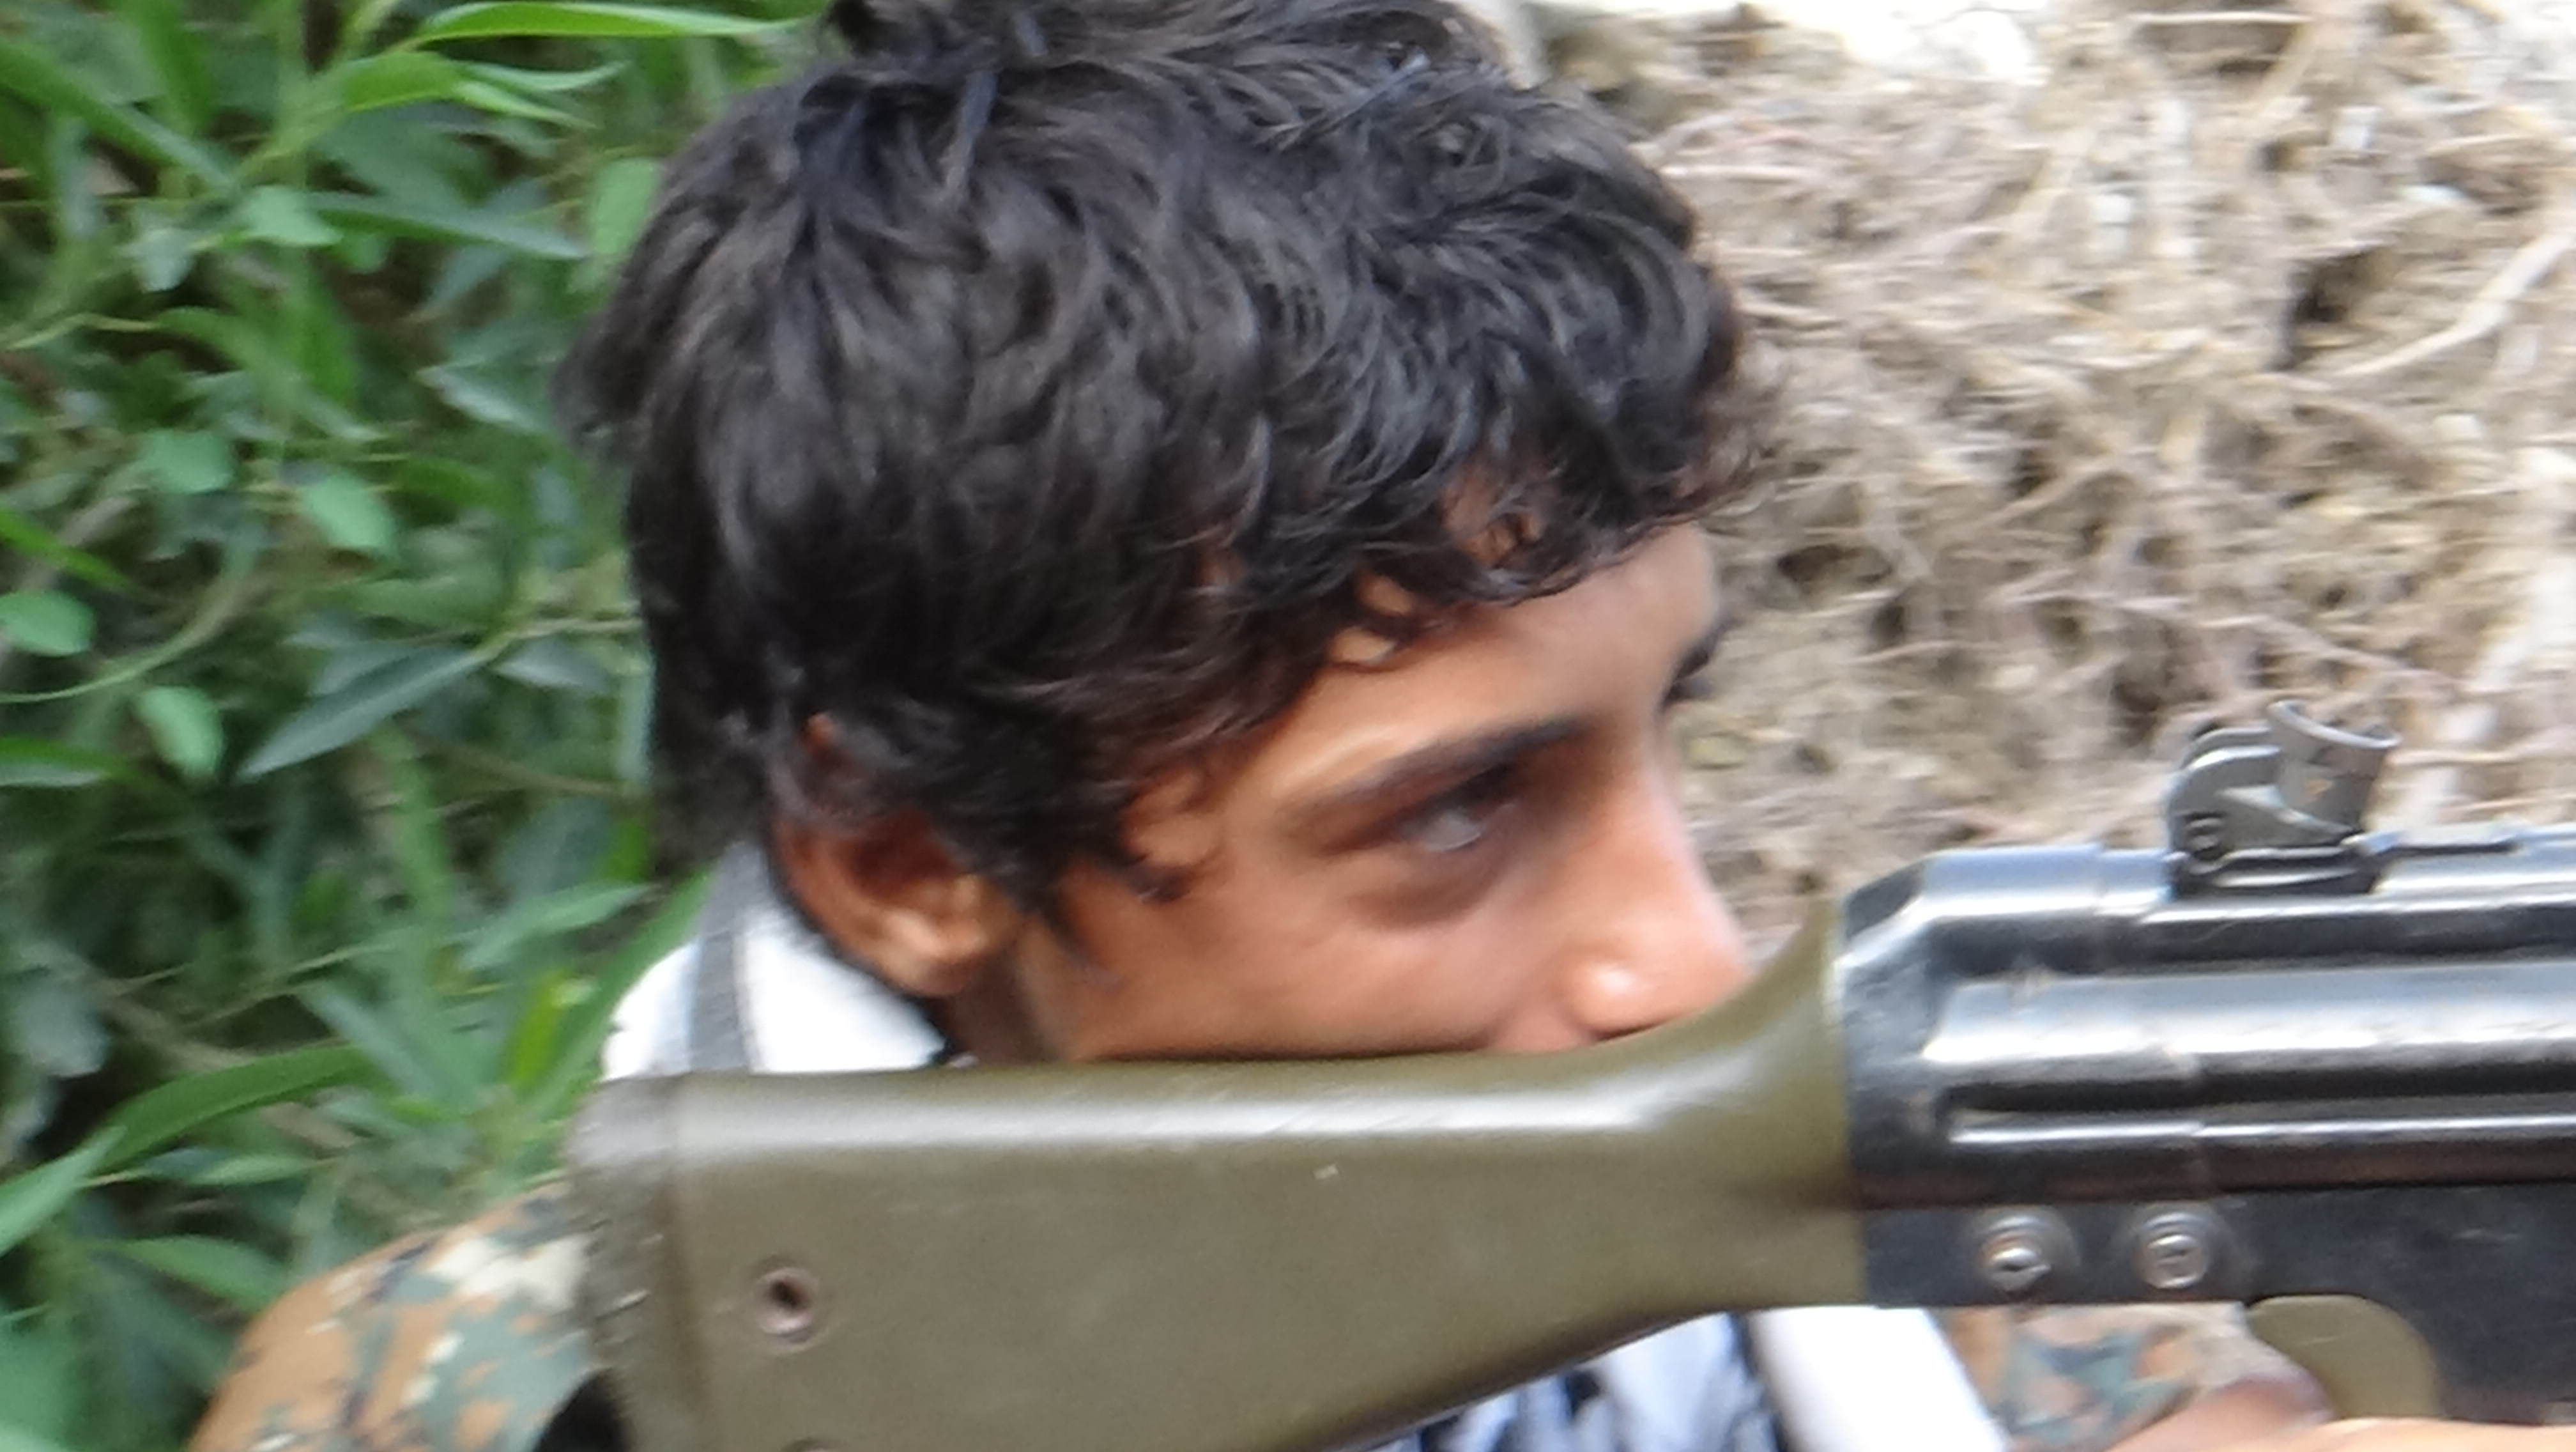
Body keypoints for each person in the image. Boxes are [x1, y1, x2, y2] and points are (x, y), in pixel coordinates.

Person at [187, 2, 2572, 1449]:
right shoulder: (503, 1401)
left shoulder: (1963, 1327)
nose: (1685, 954)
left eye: (1656, 734)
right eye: (1455, 815)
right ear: (908, 863)